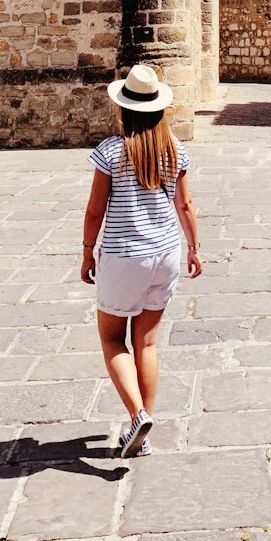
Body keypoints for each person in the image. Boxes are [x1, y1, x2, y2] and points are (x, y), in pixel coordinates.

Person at [81, 62, 202, 457]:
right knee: (146, 343)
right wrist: (195, 249)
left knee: (112, 338)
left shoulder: (111, 152)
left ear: (124, 108)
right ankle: (143, 430)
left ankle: (137, 416)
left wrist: (86, 251)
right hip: (165, 252)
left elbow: (96, 210)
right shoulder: (174, 149)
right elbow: (185, 205)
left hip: (123, 255)